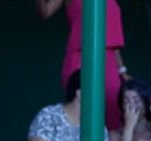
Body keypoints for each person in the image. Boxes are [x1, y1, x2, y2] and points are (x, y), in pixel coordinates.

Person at [36, 0, 127, 130]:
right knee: (84, 113)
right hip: (82, 57)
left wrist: (122, 70)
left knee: (113, 116)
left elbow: (110, 34)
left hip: (109, 61)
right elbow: (45, 12)